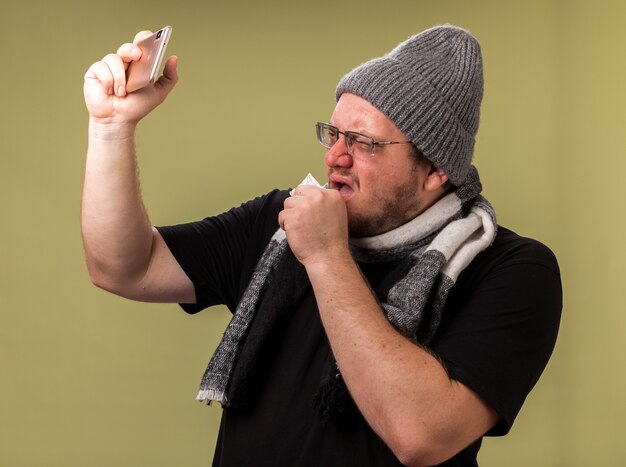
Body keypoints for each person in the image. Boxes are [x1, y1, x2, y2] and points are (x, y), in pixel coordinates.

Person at [82, 24, 562, 467]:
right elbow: (125, 267)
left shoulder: (510, 269)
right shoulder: (281, 222)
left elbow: (421, 434)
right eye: (333, 134)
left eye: (363, 142)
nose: (335, 156)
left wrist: (327, 256)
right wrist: (111, 128)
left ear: (436, 169)